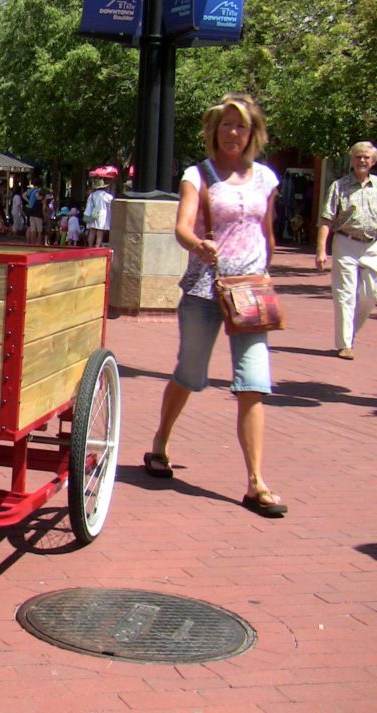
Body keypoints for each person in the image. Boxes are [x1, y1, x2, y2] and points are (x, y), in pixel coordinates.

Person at [144, 92, 286, 516]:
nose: (233, 133)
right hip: (207, 288)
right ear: (215, 131)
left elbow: (267, 231)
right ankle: (160, 443)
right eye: (226, 125)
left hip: (250, 291)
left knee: (254, 381)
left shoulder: (266, 179)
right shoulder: (198, 174)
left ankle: (256, 482)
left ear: (252, 133)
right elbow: (182, 228)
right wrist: (198, 245)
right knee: (190, 373)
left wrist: (268, 274)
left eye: (240, 125)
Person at [315, 141, 377, 360]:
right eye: (358, 156)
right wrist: (321, 249)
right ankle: (344, 344)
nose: (362, 160)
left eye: (366, 157)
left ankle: (349, 333)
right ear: (351, 160)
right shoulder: (339, 186)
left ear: (373, 161)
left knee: (370, 295)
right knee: (345, 294)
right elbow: (326, 219)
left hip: (372, 245)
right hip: (345, 242)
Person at [84, 178, 114, 247]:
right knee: (100, 231)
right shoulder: (107, 196)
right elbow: (111, 205)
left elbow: (88, 205)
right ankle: (97, 247)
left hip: (93, 213)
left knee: (92, 231)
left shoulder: (92, 195)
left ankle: (90, 246)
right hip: (102, 214)